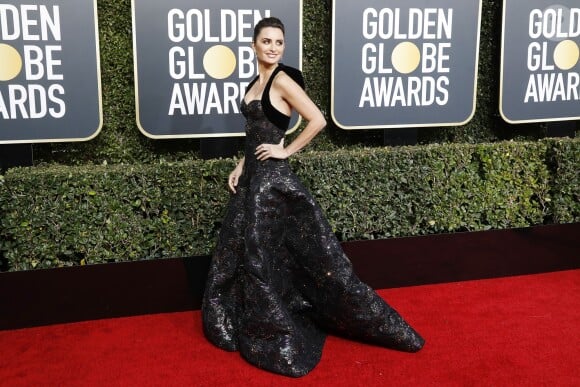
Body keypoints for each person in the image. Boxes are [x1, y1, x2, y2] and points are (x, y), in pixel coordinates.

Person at [201, 17, 424, 377]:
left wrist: (285, 150)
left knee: (261, 256)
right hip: (252, 179)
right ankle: (231, 322)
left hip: (271, 184)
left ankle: (274, 330)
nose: (273, 47)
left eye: (279, 42)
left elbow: (317, 119)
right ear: (254, 45)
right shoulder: (253, 82)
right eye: (267, 41)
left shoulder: (283, 80)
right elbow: (255, 132)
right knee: (236, 250)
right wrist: (242, 164)